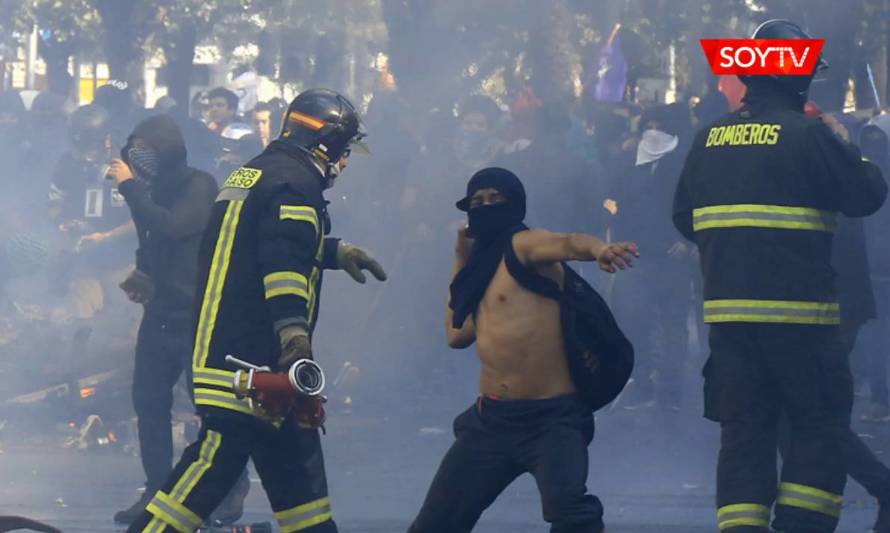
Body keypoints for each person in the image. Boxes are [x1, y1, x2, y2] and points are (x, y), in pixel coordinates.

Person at [126, 88, 386, 533]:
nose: (343, 163)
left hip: (236, 358)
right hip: (250, 364)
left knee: (302, 496)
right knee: (206, 475)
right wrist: (294, 336)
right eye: (343, 151)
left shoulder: (252, 174)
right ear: (324, 142)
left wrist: (332, 251)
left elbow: (256, 245)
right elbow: (281, 263)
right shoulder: (295, 184)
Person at [672, 19, 888, 532]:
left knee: (744, 434)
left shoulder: (709, 138)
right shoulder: (810, 134)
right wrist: (847, 141)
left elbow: (684, 217)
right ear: (797, 78)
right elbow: (867, 194)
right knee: (816, 426)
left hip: (729, 325)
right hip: (801, 323)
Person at [408, 167, 638, 533]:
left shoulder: (524, 245)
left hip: (551, 420)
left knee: (573, 516)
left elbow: (567, 242)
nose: (486, 207)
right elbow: (456, 334)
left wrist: (600, 249)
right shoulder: (478, 268)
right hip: (491, 421)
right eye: (477, 201)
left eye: (496, 200)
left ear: (515, 205)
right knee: (436, 523)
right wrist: (460, 256)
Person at [106, 114, 219, 524]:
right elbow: (149, 236)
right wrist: (144, 273)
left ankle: (222, 492)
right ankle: (157, 490)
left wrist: (131, 188)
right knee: (149, 401)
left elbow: (173, 228)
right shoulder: (153, 189)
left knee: (211, 407)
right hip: (160, 315)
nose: (139, 161)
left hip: (195, 317)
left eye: (146, 152)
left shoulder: (199, 185)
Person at [610, 103, 695, 410]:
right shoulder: (627, 162)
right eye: (649, 125)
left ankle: (671, 391)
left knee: (673, 324)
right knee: (634, 319)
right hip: (636, 256)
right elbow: (612, 202)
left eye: (661, 126)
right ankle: (642, 381)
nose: (654, 132)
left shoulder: (686, 162)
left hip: (673, 258)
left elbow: (698, 201)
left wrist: (687, 240)